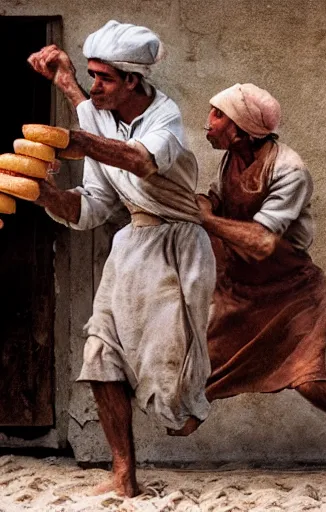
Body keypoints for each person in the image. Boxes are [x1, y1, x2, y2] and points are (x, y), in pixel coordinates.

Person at [27, 20, 216, 497]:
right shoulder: (101, 117)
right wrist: (47, 195)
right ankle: (123, 472)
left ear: (133, 79)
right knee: (100, 353)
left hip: (178, 249)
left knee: (175, 400)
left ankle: (193, 395)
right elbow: (92, 205)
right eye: (90, 76)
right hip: (131, 247)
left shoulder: (164, 117)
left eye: (104, 78)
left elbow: (140, 160)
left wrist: (80, 138)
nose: (94, 87)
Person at [195, 83, 326, 480]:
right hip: (243, 292)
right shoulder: (230, 158)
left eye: (217, 116)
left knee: (307, 378)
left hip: (293, 292)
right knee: (201, 366)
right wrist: (197, 202)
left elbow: (263, 241)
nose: (207, 124)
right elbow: (219, 198)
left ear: (242, 128)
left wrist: (206, 219)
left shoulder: (289, 170)